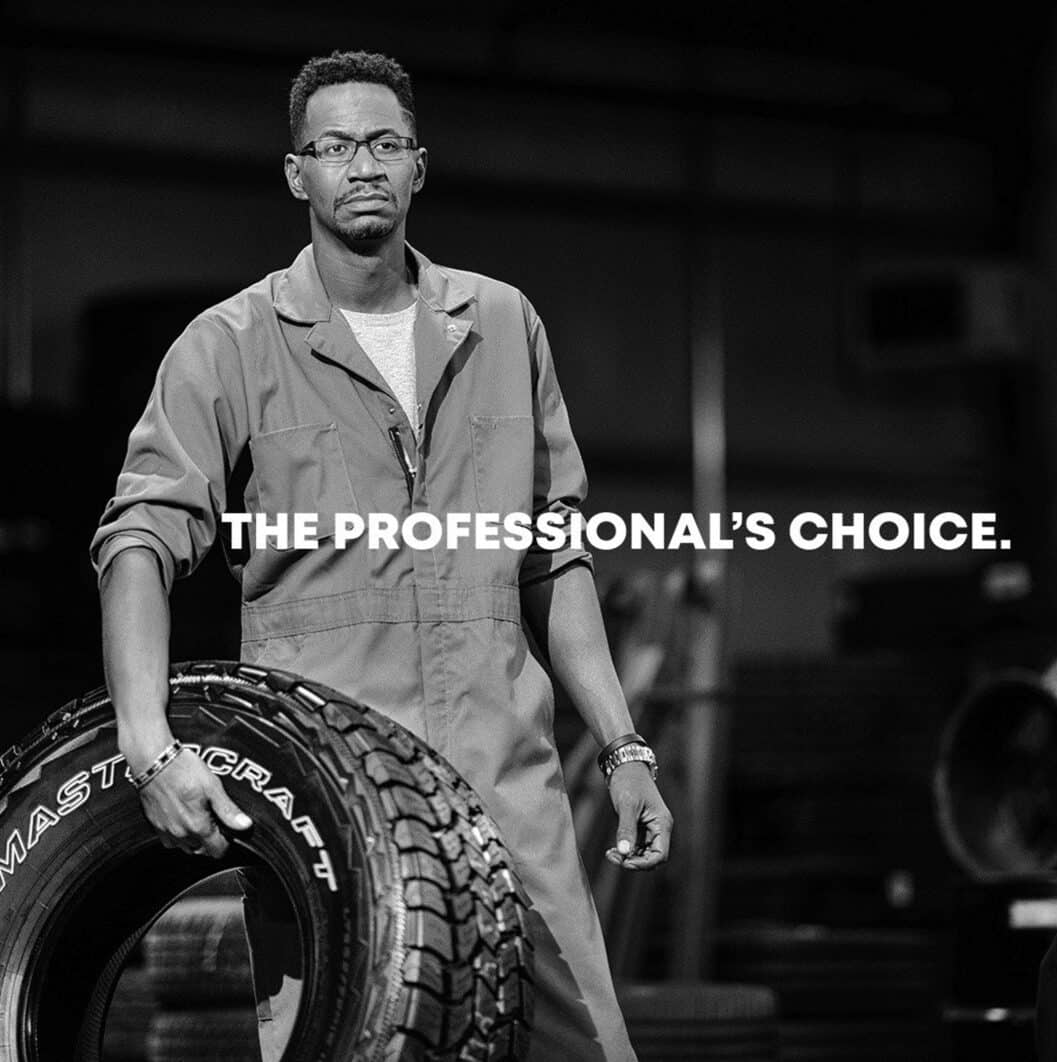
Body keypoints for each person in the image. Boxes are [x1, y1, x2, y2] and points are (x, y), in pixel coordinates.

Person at [89, 49, 668, 1060]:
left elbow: (553, 556)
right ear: (296, 173)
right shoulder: (229, 345)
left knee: (584, 1044)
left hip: (504, 778)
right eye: (337, 145)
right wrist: (149, 744)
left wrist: (623, 749)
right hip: (330, 793)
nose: (363, 165)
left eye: (385, 144)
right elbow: (138, 541)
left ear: (419, 166)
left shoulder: (499, 322)